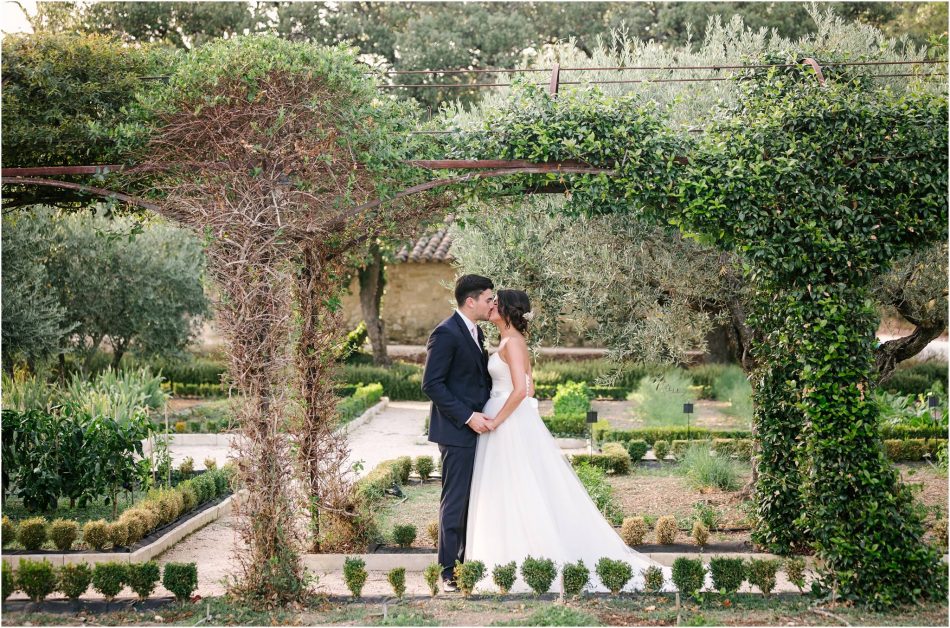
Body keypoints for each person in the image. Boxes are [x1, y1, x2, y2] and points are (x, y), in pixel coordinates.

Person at [465, 288, 672, 593]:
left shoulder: (513, 343)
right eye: (491, 302)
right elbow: (530, 386)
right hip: (507, 420)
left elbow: (522, 391)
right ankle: (507, 559)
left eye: (497, 303)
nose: (491, 306)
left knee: (516, 487)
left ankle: (525, 561)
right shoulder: (507, 342)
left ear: (509, 311)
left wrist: (497, 418)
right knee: (507, 488)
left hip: (505, 423)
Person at [421, 274, 495, 592]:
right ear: (471, 301)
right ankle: (449, 571)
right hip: (456, 431)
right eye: (488, 298)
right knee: (455, 502)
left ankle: (468, 561)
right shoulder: (446, 333)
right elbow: (431, 384)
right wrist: (467, 417)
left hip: (480, 430)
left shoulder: (476, 332)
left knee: (471, 501)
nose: (492, 303)